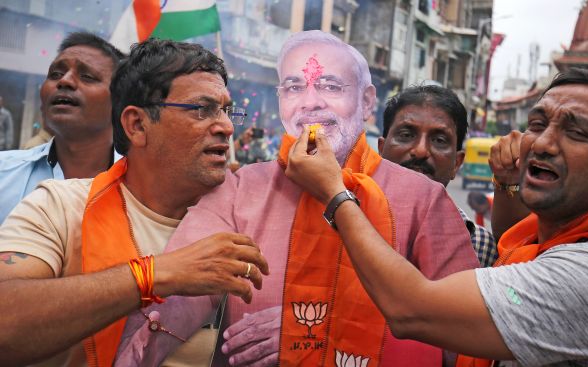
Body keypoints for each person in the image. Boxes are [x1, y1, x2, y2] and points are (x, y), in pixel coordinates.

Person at [120, 30, 479, 367]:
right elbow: (175, 301)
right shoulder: (240, 190)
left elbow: (468, 337)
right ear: (280, 101)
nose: (310, 103)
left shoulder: (423, 200)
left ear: (366, 100)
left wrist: (318, 332)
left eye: (330, 85)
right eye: (294, 87)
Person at [285, 68, 588, 365]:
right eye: (537, 125)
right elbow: (514, 242)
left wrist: (334, 193)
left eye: (577, 133)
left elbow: (411, 309)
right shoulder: (539, 244)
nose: (543, 143)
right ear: (380, 148)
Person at [0, 38, 269, 367]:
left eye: (227, 110)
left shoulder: (251, 218)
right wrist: (153, 275)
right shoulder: (59, 208)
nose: (226, 127)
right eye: (203, 109)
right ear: (137, 125)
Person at [0, 32, 123, 224]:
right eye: (55, 74)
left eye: (87, 76)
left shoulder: (145, 188)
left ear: (120, 101)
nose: (64, 81)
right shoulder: (4, 172)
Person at [379, 85, 498, 267]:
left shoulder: (480, 247)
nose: (420, 151)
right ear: (381, 150)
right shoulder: (342, 221)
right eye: (406, 135)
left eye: (439, 140)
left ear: (456, 164)